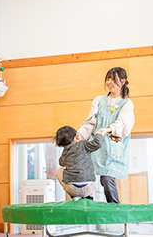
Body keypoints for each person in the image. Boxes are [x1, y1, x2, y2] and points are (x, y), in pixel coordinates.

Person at [77, 67, 135, 203]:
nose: (109, 82)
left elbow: (123, 124)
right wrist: (79, 135)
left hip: (112, 147)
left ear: (122, 81)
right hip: (96, 144)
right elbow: (91, 122)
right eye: (108, 79)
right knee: (86, 173)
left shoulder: (126, 103)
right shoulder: (98, 100)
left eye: (113, 79)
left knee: (107, 178)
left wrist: (107, 129)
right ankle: (87, 203)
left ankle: (114, 206)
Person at [55, 125, 107, 200]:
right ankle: (90, 196)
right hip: (88, 188)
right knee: (91, 169)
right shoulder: (83, 144)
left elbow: (61, 163)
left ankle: (71, 196)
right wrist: (99, 134)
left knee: (59, 171)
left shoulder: (65, 152)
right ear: (76, 136)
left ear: (62, 145)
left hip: (72, 190)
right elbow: (97, 143)